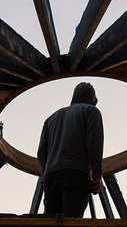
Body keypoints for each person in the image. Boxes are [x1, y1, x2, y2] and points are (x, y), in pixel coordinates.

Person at [37, 82, 104, 218]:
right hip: (76, 175)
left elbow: (41, 153)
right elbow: (94, 146)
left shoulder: (51, 119)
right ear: (92, 100)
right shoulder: (91, 111)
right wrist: (97, 177)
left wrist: (46, 173)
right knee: (71, 226)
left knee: (51, 226)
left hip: (51, 177)